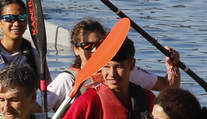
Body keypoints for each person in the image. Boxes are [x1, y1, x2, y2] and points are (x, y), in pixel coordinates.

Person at [47, 19, 176, 102]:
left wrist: (172, 65)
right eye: (87, 46)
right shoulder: (66, 80)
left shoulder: (125, 72)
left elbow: (168, 86)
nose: (94, 50)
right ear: (75, 49)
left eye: (99, 44)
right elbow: (34, 108)